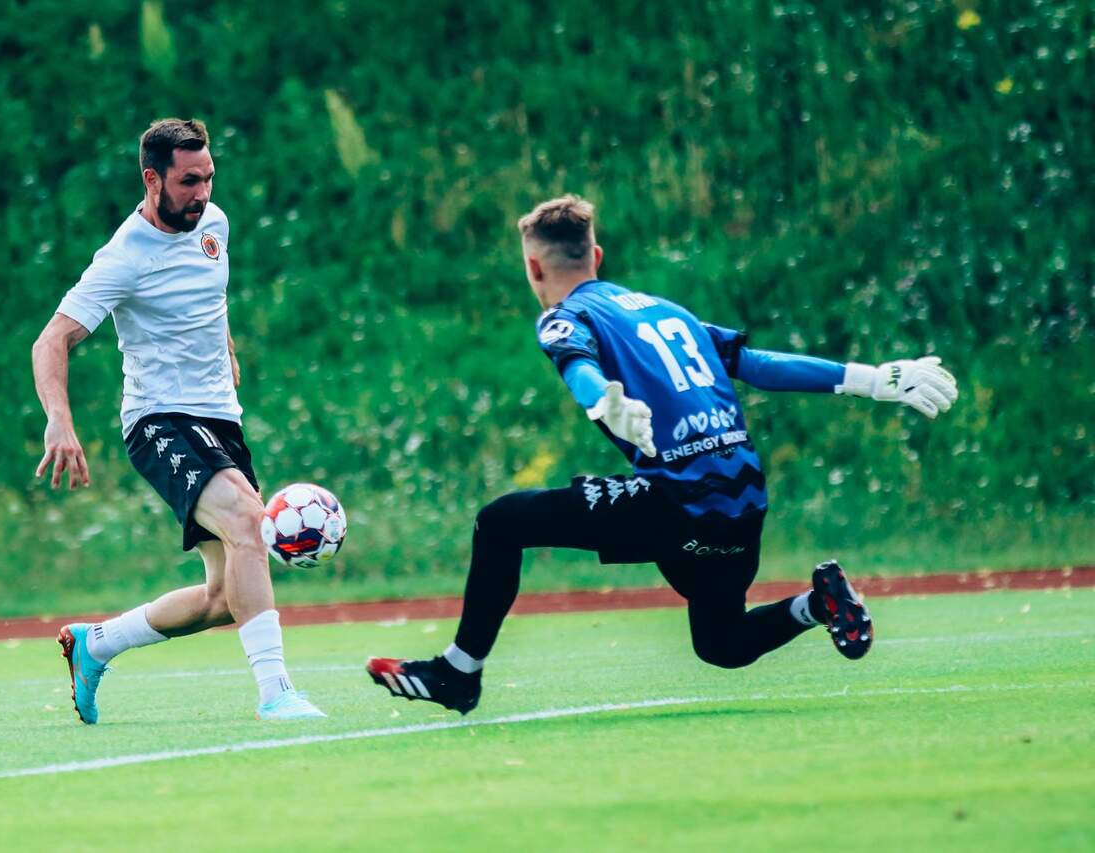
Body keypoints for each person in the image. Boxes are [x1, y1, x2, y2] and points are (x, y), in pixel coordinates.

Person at [367, 195, 958, 714]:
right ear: (597, 256)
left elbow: (577, 364)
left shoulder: (564, 316)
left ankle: (458, 673)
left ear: (533, 267)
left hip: (676, 501)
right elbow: (755, 364)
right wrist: (872, 379)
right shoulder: (669, 311)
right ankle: (818, 604)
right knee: (721, 644)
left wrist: (602, 403)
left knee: (499, 523)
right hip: (744, 502)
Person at [31, 118, 325, 723]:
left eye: (209, 177)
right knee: (248, 522)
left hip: (221, 421)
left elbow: (209, 297)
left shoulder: (213, 224)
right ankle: (276, 693)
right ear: (152, 179)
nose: (203, 193)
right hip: (159, 420)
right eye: (189, 181)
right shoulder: (124, 257)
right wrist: (59, 419)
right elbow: (51, 340)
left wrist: (227, 346)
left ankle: (96, 644)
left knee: (224, 597)